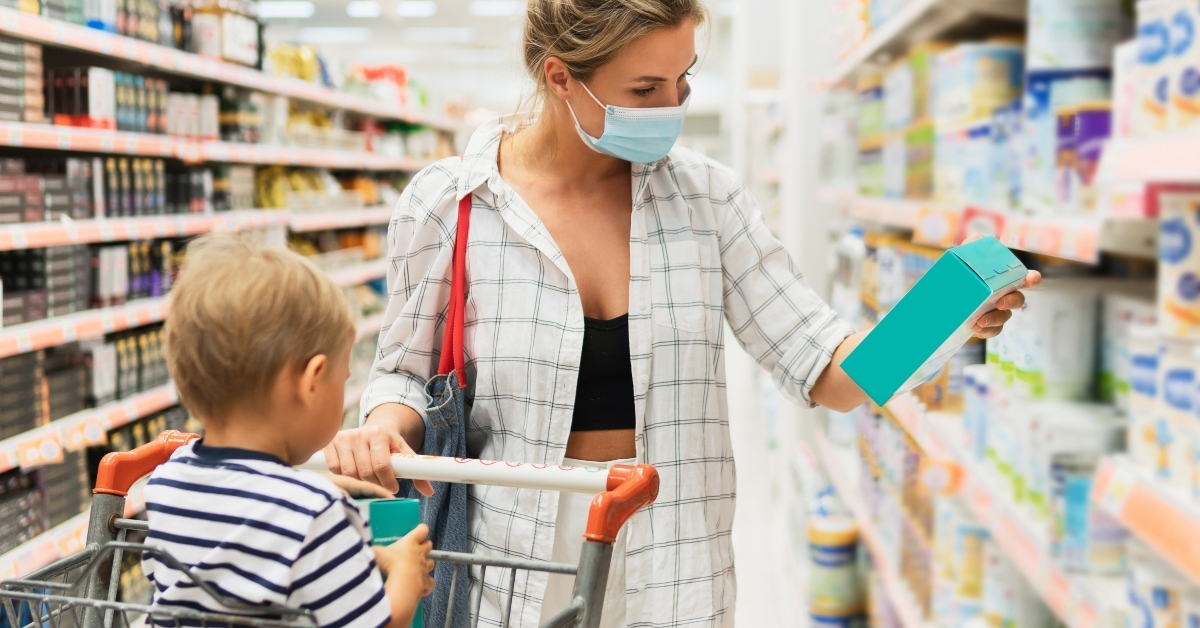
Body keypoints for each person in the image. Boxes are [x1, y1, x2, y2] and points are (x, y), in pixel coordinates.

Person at [326, 0, 1041, 626]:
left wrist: (946, 318)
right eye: (644, 88)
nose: (673, 106)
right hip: (509, 564)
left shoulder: (707, 200)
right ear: (560, 77)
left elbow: (826, 370)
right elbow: (402, 376)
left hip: (674, 565)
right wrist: (382, 428)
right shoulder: (452, 206)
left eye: (684, 79)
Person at [144, 233, 436, 628]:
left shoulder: (168, 481)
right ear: (312, 381)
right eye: (343, 378)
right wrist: (406, 573)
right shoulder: (315, 508)